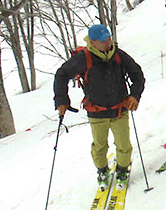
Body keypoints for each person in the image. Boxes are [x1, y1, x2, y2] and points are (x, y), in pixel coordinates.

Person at [53, 24, 145, 185]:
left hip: (120, 109)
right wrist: (61, 100)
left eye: (109, 39)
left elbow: (137, 74)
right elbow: (61, 75)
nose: (107, 43)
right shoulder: (83, 58)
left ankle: (122, 170)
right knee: (99, 146)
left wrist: (135, 96)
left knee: (124, 145)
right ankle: (102, 171)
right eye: (103, 41)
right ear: (93, 42)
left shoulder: (118, 55)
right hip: (96, 111)